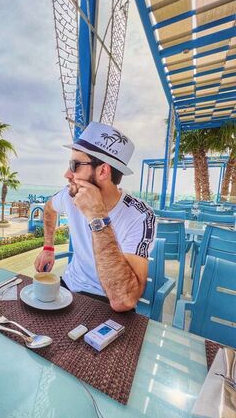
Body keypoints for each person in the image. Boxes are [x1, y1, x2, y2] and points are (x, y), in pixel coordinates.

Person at [34, 122, 156, 312]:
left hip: (107, 301)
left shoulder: (140, 216)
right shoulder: (70, 194)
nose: (67, 174)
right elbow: (50, 208)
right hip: (69, 287)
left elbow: (124, 300)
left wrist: (97, 216)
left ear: (103, 171)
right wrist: (48, 247)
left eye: (74, 165)